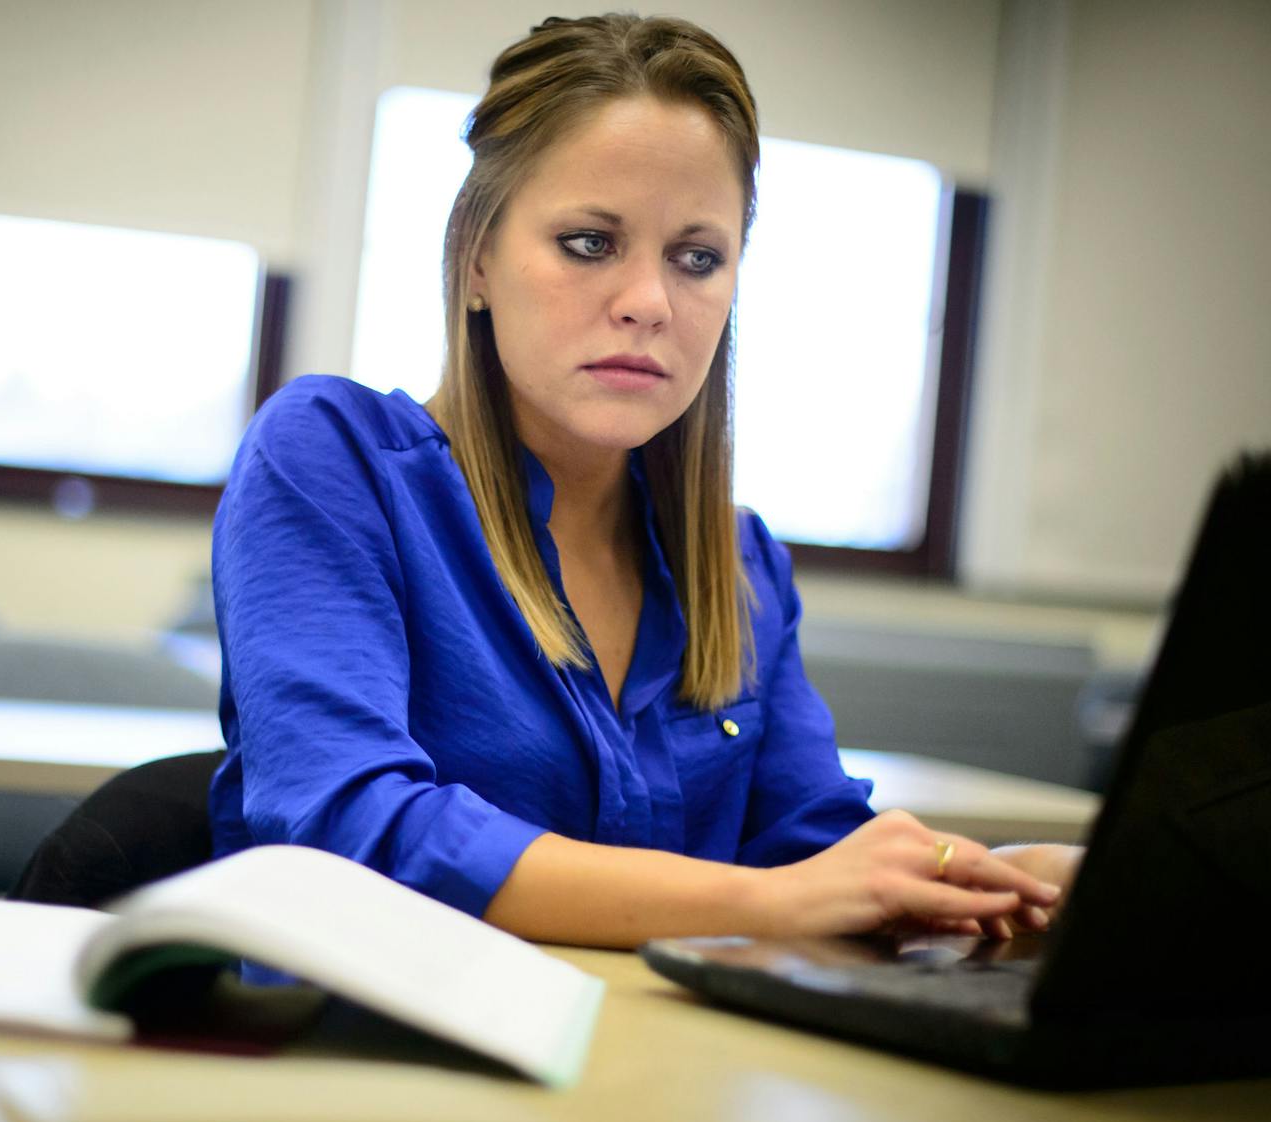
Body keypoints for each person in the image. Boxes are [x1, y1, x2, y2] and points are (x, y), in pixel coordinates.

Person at [209, 13, 1079, 951]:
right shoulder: (334, 458)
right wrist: (760, 904)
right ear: (476, 259)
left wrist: (1004, 877)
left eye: (697, 259)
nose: (649, 302)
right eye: (590, 242)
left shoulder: (742, 567)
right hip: (370, 1069)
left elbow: (816, 852)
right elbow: (352, 832)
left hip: (657, 1077)